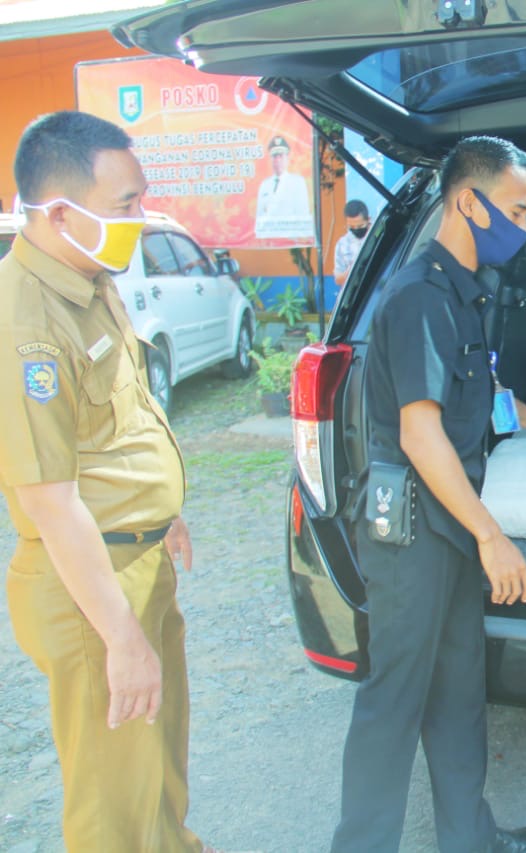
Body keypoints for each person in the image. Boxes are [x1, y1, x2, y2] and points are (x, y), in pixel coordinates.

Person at [0, 111, 216, 852]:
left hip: (137, 555)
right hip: (90, 589)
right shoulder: (23, 321)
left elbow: (123, 419)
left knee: (157, 766)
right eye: (126, 205)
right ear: (60, 212)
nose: (141, 217)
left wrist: (165, 512)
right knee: (112, 810)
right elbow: (51, 503)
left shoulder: (90, 282)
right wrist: (120, 636)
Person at [330, 135, 526, 853]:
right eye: (517, 208)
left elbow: (469, 390)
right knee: (394, 703)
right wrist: (492, 534)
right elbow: (423, 437)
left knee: (459, 694)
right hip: (413, 534)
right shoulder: (419, 295)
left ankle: (469, 838)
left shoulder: (464, 290)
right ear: (467, 201)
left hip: (446, 527)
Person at [254, 134, 312, 239]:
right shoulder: (264, 185)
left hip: (291, 237)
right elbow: (260, 216)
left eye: (281, 156)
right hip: (269, 238)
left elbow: (302, 214)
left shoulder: (297, 182)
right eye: (275, 156)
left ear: (287, 158)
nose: (278, 160)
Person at [333, 198, 370, 287]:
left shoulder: (377, 236)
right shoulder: (343, 244)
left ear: (368, 219)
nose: (356, 229)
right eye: (352, 227)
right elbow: (338, 279)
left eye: (360, 226)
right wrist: (353, 271)